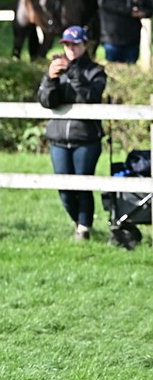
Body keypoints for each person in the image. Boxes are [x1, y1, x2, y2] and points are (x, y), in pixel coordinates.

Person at [37, 25, 108, 240]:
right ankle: (78, 222)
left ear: (85, 45)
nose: (71, 48)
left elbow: (90, 97)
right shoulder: (56, 69)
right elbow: (46, 101)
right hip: (58, 139)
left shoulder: (96, 72)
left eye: (75, 44)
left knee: (82, 186)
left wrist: (72, 72)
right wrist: (50, 79)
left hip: (85, 138)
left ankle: (84, 229)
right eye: (67, 44)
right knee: (64, 189)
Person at [97, 0, 152, 64]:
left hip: (132, 40)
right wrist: (130, 11)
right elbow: (105, 4)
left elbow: (149, 7)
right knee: (113, 67)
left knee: (130, 67)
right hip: (112, 38)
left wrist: (143, 13)